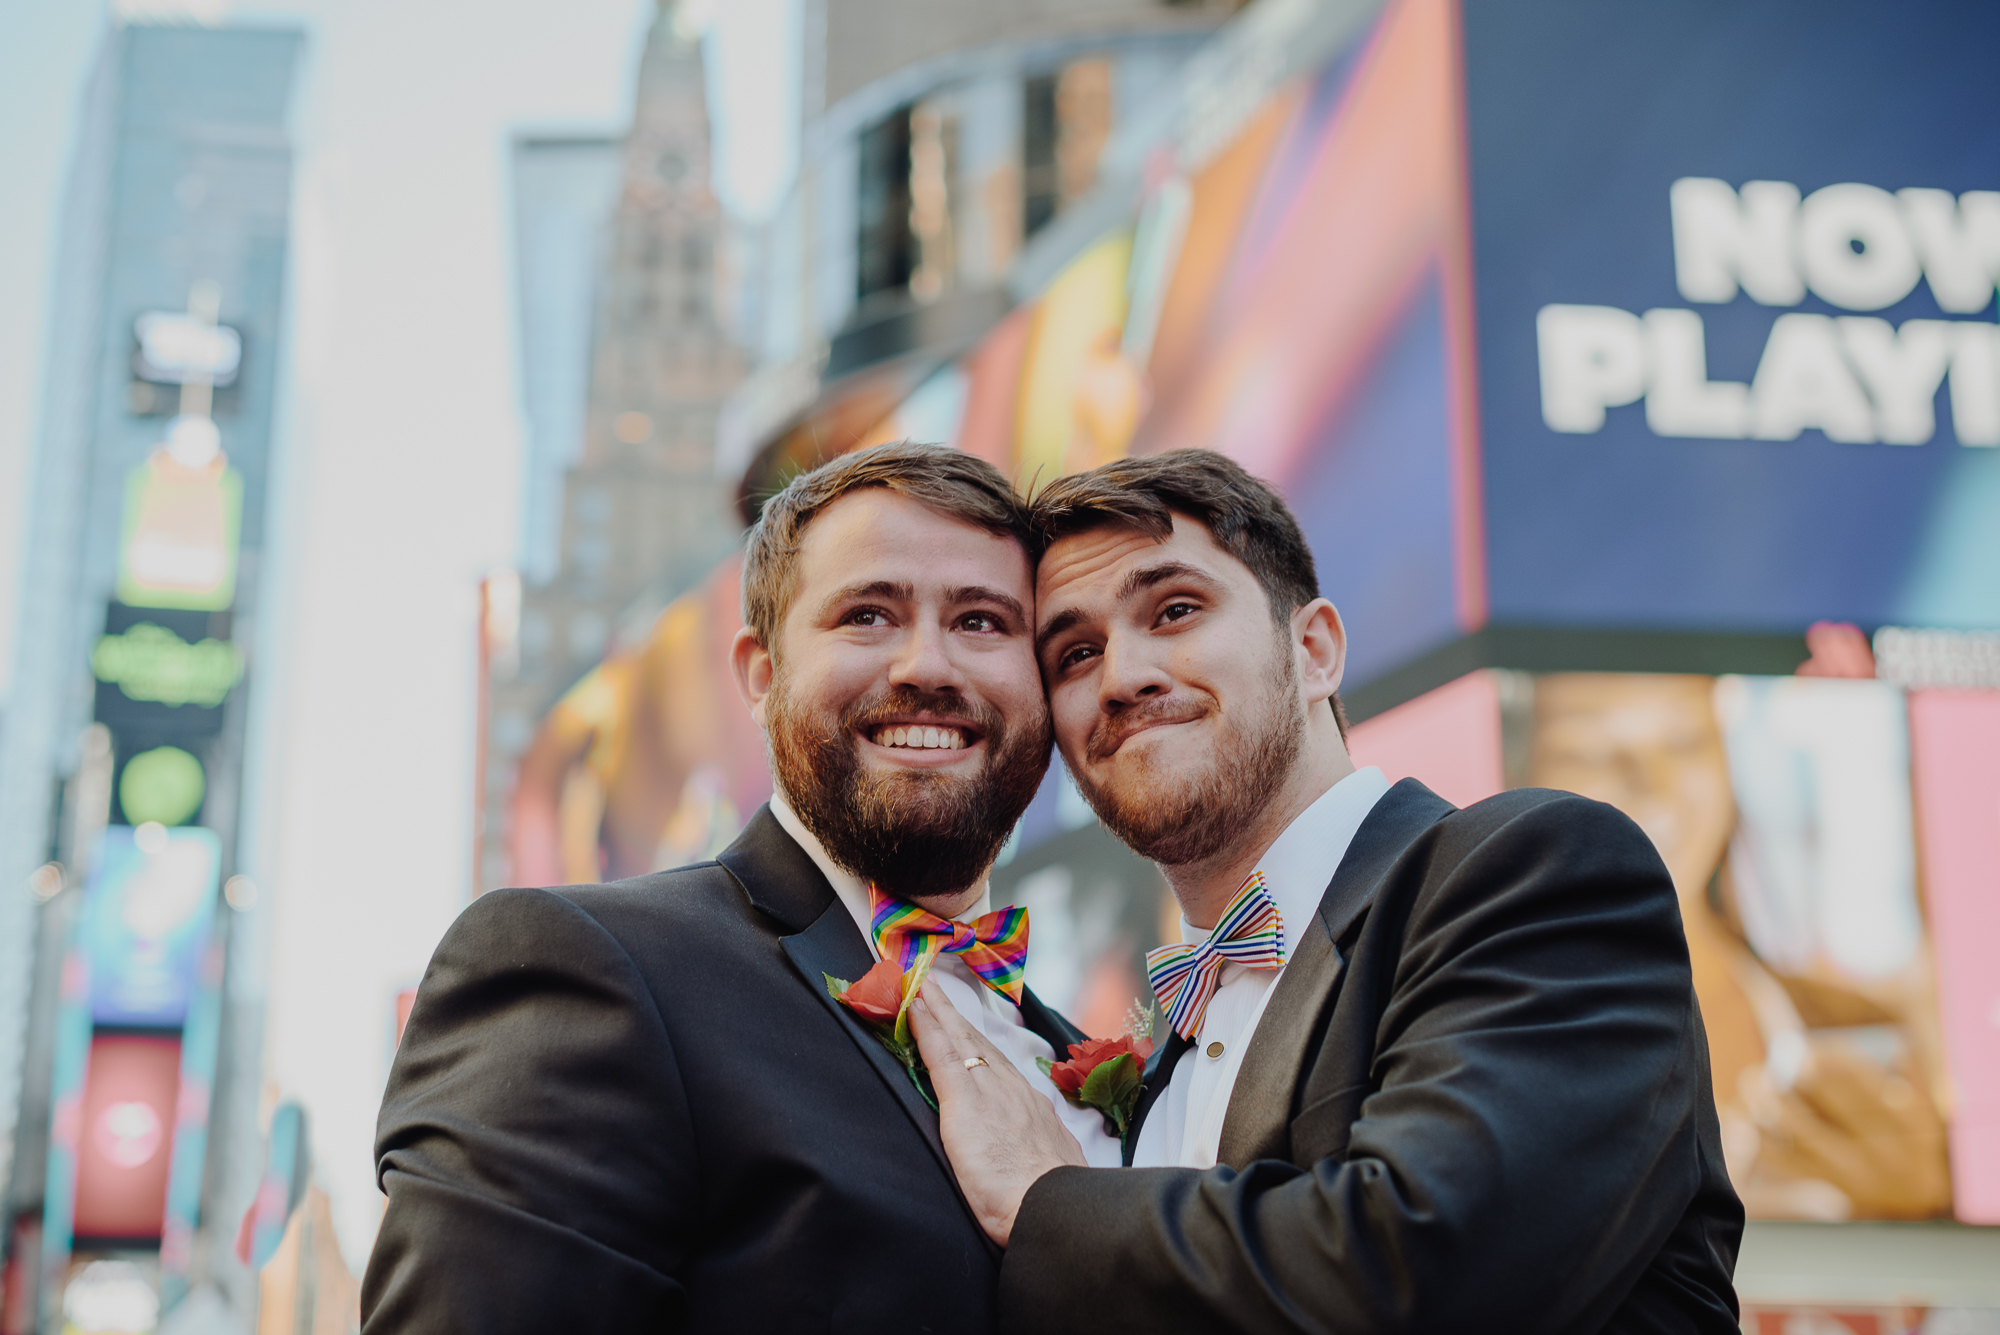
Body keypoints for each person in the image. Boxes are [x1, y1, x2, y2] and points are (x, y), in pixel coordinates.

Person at [909, 449, 1743, 1333]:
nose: (1122, 677)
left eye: (1176, 609)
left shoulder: (1537, 873)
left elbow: (1424, 1270)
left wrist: (1047, 1202)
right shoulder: (1162, 1057)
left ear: (1314, 650)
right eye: (1075, 653)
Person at [361, 443, 1119, 1334]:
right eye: (869, 614)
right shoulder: (588, 970)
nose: (927, 664)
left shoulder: (1079, 1053)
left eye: (983, 622)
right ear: (761, 676)